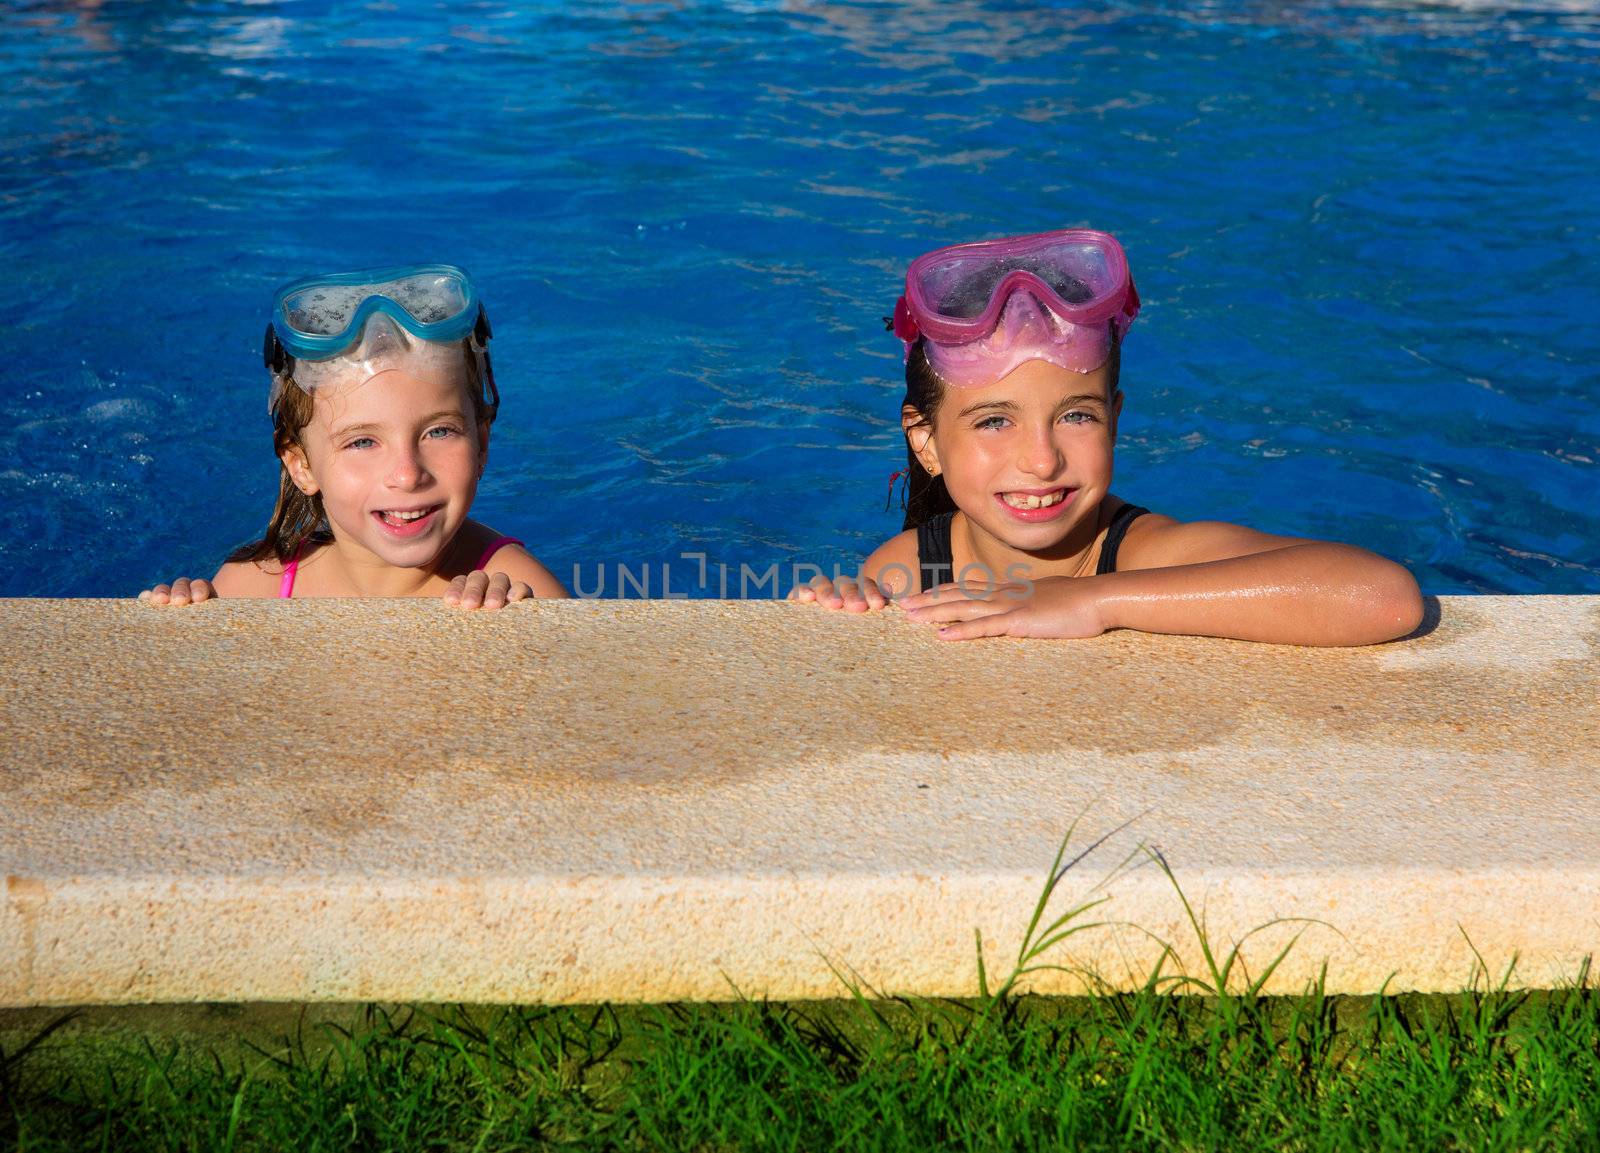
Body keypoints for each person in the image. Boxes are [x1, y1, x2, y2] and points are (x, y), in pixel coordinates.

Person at [791, 228, 1422, 645]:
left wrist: (1093, 600)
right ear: (926, 441)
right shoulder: (909, 567)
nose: (1041, 461)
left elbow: (1382, 597)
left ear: (1115, 419)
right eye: (993, 421)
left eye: (1077, 415)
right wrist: (842, 609)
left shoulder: (1148, 554)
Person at [141, 265, 567, 609]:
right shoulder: (252, 587)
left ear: (482, 445)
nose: (406, 474)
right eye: (362, 441)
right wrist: (186, 624)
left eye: (439, 431)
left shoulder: (518, 592)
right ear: (302, 466)